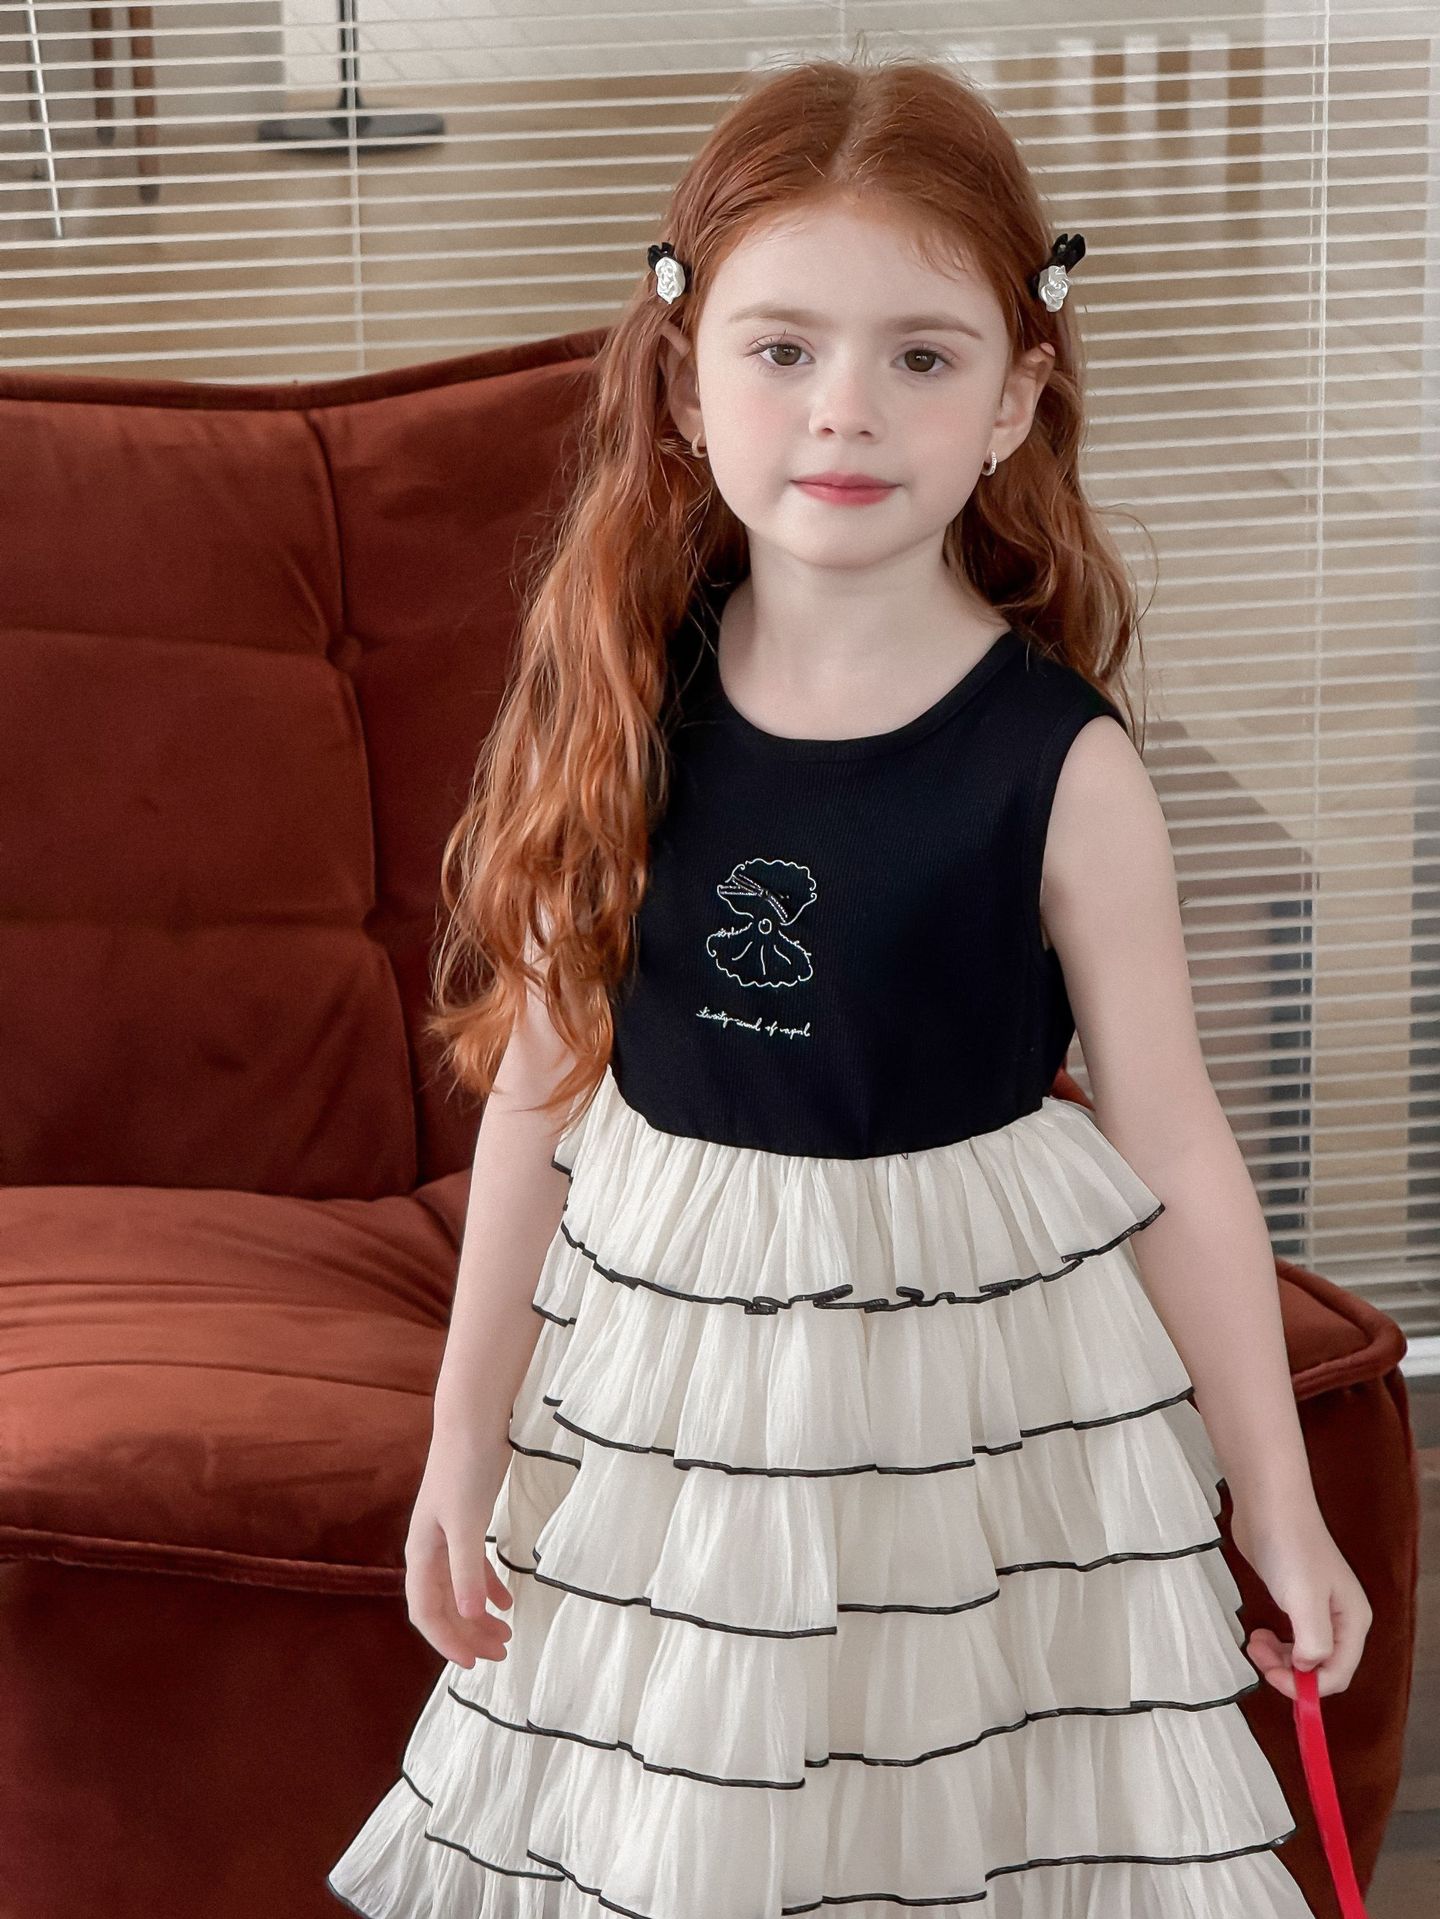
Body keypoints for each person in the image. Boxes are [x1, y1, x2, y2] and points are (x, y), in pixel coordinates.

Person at [327, 49, 1372, 1919]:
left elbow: (1179, 1153)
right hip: (676, 1411)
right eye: (785, 347)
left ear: (1014, 397)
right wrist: (462, 1441)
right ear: (685, 379)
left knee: (950, 1838)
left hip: (972, 1404)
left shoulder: (1066, 767)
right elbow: (539, 1098)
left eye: (922, 356)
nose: (846, 409)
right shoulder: (621, 699)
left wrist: (1275, 1504)